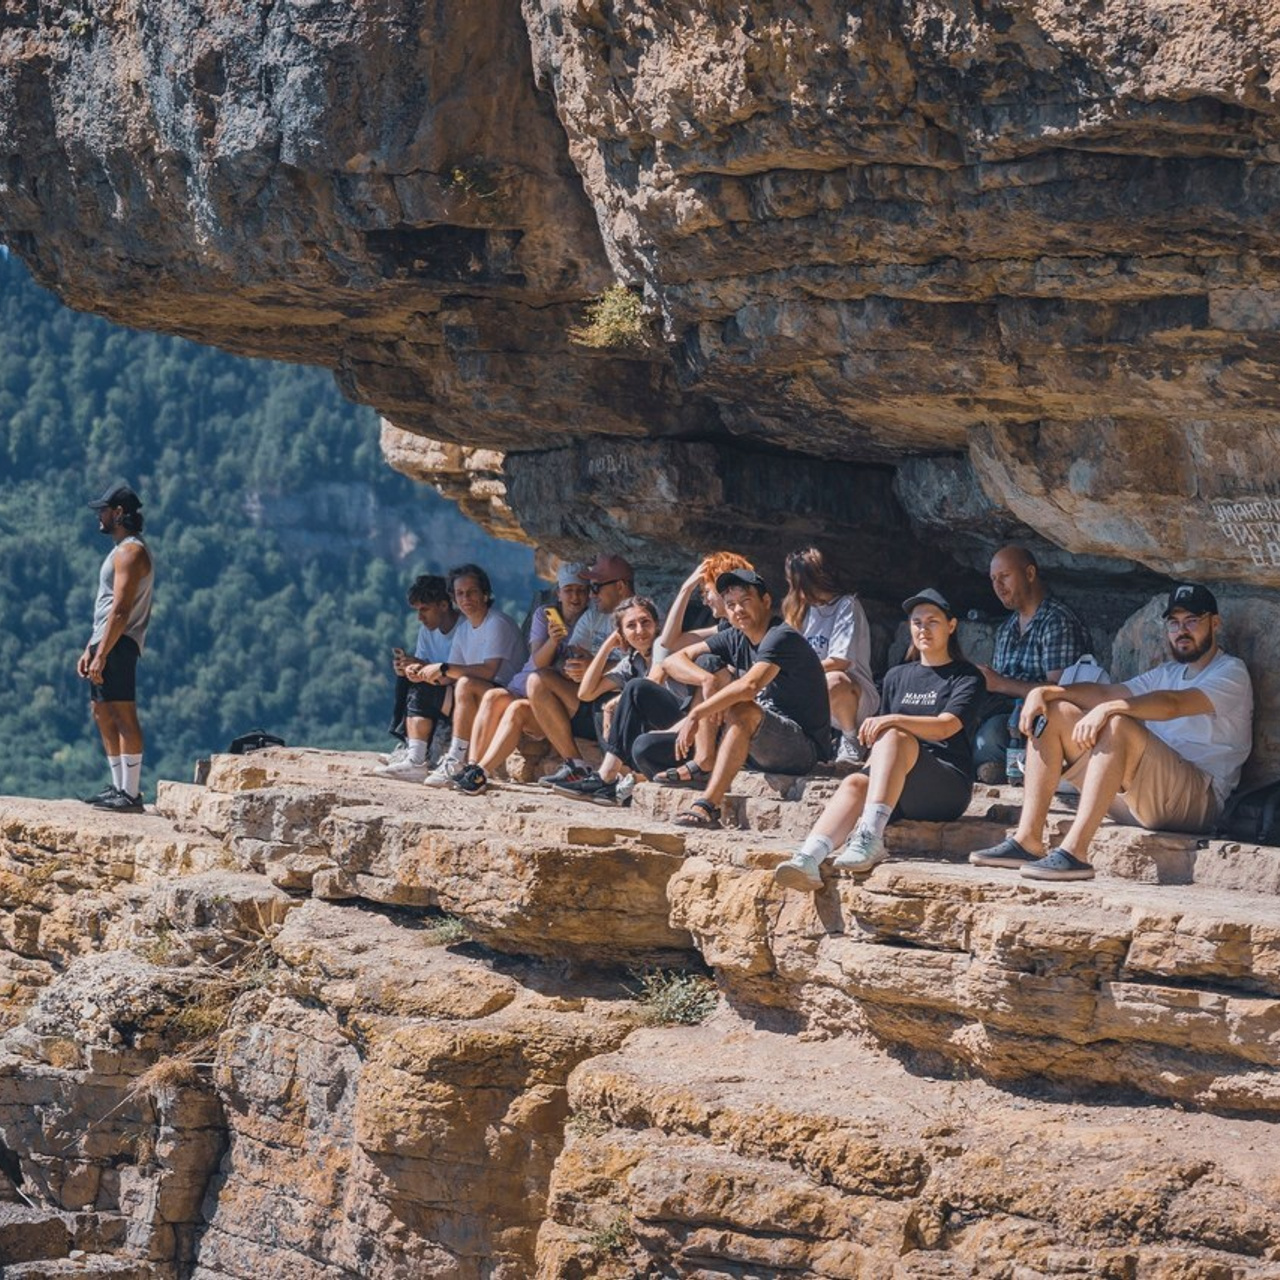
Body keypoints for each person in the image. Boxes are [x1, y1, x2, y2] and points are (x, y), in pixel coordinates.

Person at [969, 583, 1253, 882]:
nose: (1182, 630)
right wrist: (1046, 691)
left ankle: (1075, 854)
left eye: (1192, 621)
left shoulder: (1231, 672)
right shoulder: (1167, 673)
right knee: (1055, 712)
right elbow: (1106, 691)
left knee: (1118, 722)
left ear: (1215, 623)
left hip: (1197, 801)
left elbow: (1173, 704)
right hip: (1142, 799)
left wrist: (1112, 708)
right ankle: (1027, 841)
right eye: (1174, 622)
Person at [774, 589, 984, 889]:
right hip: (898, 785)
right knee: (855, 782)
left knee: (895, 734)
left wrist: (893, 720)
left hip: (944, 786)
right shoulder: (898, 676)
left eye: (933, 621)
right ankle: (809, 857)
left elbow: (946, 726)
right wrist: (868, 770)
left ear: (951, 626)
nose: (924, 629)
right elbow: (880, 744)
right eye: (917, 622)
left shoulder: (966, 676)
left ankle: (869, 837)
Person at [658, 569, 832, 829]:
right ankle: (705, 760)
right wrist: (706, 681)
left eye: (746, 601)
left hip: (800, 748)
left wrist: (696, 713)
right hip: (756, 740)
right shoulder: (735, 637)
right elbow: (672, 660)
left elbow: (750, 686)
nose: (738, 610)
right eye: (730, 605)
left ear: (765, 601)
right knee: (707, 665)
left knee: (741, 709)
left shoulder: (781, 637)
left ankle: (708, 805)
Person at [447, 564, 591, 795]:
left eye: (581, 591)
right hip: (523, 683)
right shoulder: (544, 615)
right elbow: (537, 658)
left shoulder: (590, 621)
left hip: (548, 697)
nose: (575, 597)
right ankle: (471, 766)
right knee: (494, 696)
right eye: (569, 590)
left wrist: (557, 644)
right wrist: (553, 641)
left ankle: (479, 773)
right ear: (559, 593)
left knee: (516, 709)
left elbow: (550, 668)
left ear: (589, 594)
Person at [973, 545, 1091, 782]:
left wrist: (999, 683)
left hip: (1041, 720)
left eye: (1005, 576)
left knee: (992, 733)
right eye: (994, 579)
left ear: (1029, 574)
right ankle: (993, 765)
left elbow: (1059, 691)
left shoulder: (1057, 621)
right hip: (1006, 713)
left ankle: (1000, 766)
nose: (998, 586)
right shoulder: (1007, 628)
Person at [529, 553, 636, 790]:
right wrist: (572, 668)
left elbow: (644, 667)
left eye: (595, 587)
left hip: (618, 701)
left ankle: (613, 779)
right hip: (588, 696)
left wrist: (595, 668)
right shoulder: (593, 615)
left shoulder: (640, 618)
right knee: (538, 681)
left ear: (620, 586)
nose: (591, 595)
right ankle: (575, 765)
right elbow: (573, 655)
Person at [78, 481, 154, 812]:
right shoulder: (121, 549)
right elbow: (107, 607)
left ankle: (131, 793)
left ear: (119, 513)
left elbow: (121, 610)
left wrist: (104, 652)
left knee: (123, 712)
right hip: (107, 640)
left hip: (120, 642)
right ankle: (118, 786)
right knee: (102, 711)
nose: (100, 516)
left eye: (104, 510)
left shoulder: (131, 552)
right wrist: (90, 648)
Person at [545, 596, 665, 806]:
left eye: (645, 622)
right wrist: (608, 646)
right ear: (622, 635)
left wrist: (615, 703)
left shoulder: (665, 650)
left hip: (673, 729)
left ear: (656, 625)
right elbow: (586, 693)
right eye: (631, 626)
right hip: (648, 737)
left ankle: (607, 778)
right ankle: (617, 781)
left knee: (627, 694)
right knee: (601, 706)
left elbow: (652, 684)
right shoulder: (631, 661)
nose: (639, 630)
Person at [419, 564, 527, 786]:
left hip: (507, 693)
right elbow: (450, 674)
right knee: (421, 686)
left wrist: (444, 668)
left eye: (472, 592)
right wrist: (421, 672)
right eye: (460, 593)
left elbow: (488, 671)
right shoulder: (464, 630)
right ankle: (415, 754)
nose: (465, 598)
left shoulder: (497, 623)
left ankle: (457, 759)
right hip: (484, 692)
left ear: (485, 594)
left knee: (466, 684)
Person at [783, 547, 879, 773]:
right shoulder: (800, 610)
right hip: (812, 696)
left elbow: (840, 661)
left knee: (833, 680)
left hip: (854, 696)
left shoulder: (847, 605)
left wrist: (797, 674)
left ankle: (851, 739)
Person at [374, 575, 459, 780]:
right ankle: (409, 746)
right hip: (439, 687)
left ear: (444, 605)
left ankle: (416, 760)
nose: (420, 617)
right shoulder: (426, 631)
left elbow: (457, 672)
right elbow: (423, 664)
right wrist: (408, 667)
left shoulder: (464, 628)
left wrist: (423, 667)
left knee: (420, 689)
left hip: (458, 692)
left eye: (424, 609)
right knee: (405, 680)